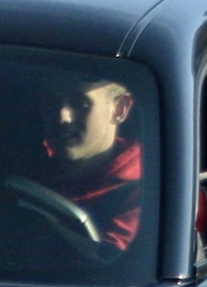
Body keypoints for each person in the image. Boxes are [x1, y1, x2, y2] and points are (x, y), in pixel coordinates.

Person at [38, 78, 143, 250]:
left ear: (119, 109)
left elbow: (107, 265)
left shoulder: (148, 195)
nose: (63, 116)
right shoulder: (24, 172)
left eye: (80, 103)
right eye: (51, 102)